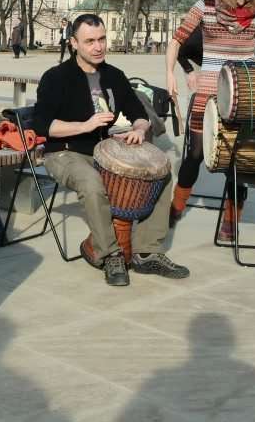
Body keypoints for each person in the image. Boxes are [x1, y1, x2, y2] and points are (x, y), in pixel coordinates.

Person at [34, 14, 191, 287]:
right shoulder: (56, 77)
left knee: (161, 172)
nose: (98, 47)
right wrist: (85, 125)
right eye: (90, 41)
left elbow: (139, 113)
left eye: (102, 39)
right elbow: (43, 125)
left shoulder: (114, 75)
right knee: (91, 182)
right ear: (73, 43)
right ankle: (109, 254)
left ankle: (147, 251)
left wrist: (139, 129)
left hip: (103, 151)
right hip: (64, 152)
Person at [166, 0, 255, 243]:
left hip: (243, 93)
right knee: (195, 154)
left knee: (239, 160)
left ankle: (231, 220)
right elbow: (176, 41)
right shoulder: (204, 8)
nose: (241, 1)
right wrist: (171, 74)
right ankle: (176, 207)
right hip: (208, 91)